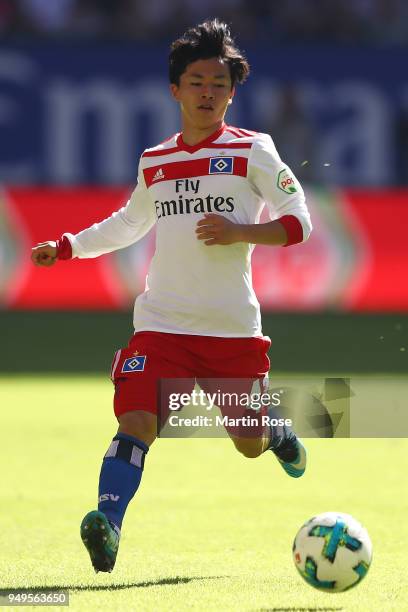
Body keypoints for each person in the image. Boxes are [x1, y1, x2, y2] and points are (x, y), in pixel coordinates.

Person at [31, 18, 312, 574]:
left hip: (231, 329)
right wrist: (66, 246)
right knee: (136, 421)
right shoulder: (155, 161)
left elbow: (298, 222)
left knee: (249, 444)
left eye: (220, 83)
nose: (208, 92)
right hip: (161, 324)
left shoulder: (254, 151)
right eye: (197, 81)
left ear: (233, 92)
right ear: (175, 89)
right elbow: (128, 224)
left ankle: (272, 427)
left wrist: (241, 232)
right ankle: (108, 524)